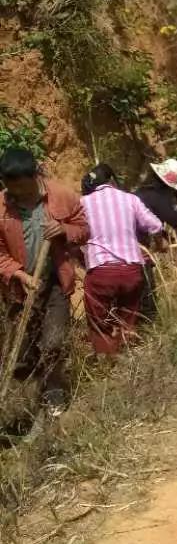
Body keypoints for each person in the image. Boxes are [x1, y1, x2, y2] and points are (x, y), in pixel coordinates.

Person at [0, 148, 88, 416]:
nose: (18, 194)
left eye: (23, 188)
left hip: (54, 284)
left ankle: (54, 393)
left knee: (53, 342)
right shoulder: (1, 206)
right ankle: (26, 399)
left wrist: (64, 230)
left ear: (35, 176)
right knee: (22, 350)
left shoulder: (62, 196)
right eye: (12, 189)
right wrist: (20, 275)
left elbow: (85, 229)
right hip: (18, 289)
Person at [80, 164, 163, 355]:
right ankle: (128, 358)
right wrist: (160, 244)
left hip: (101, 272)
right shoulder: (130, 199)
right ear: (111, 181)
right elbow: (156, 225)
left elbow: (75, 234)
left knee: (99, 321)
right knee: (128, 318)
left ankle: (106, 360)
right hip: (131, 270)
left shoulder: (83, 203)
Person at [133, 159, 177, 323]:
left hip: (121, 248)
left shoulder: (141, 192)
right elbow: (175, 220)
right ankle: (146, 328)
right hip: (137, 252)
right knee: (147, 300)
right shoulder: (159, 196)